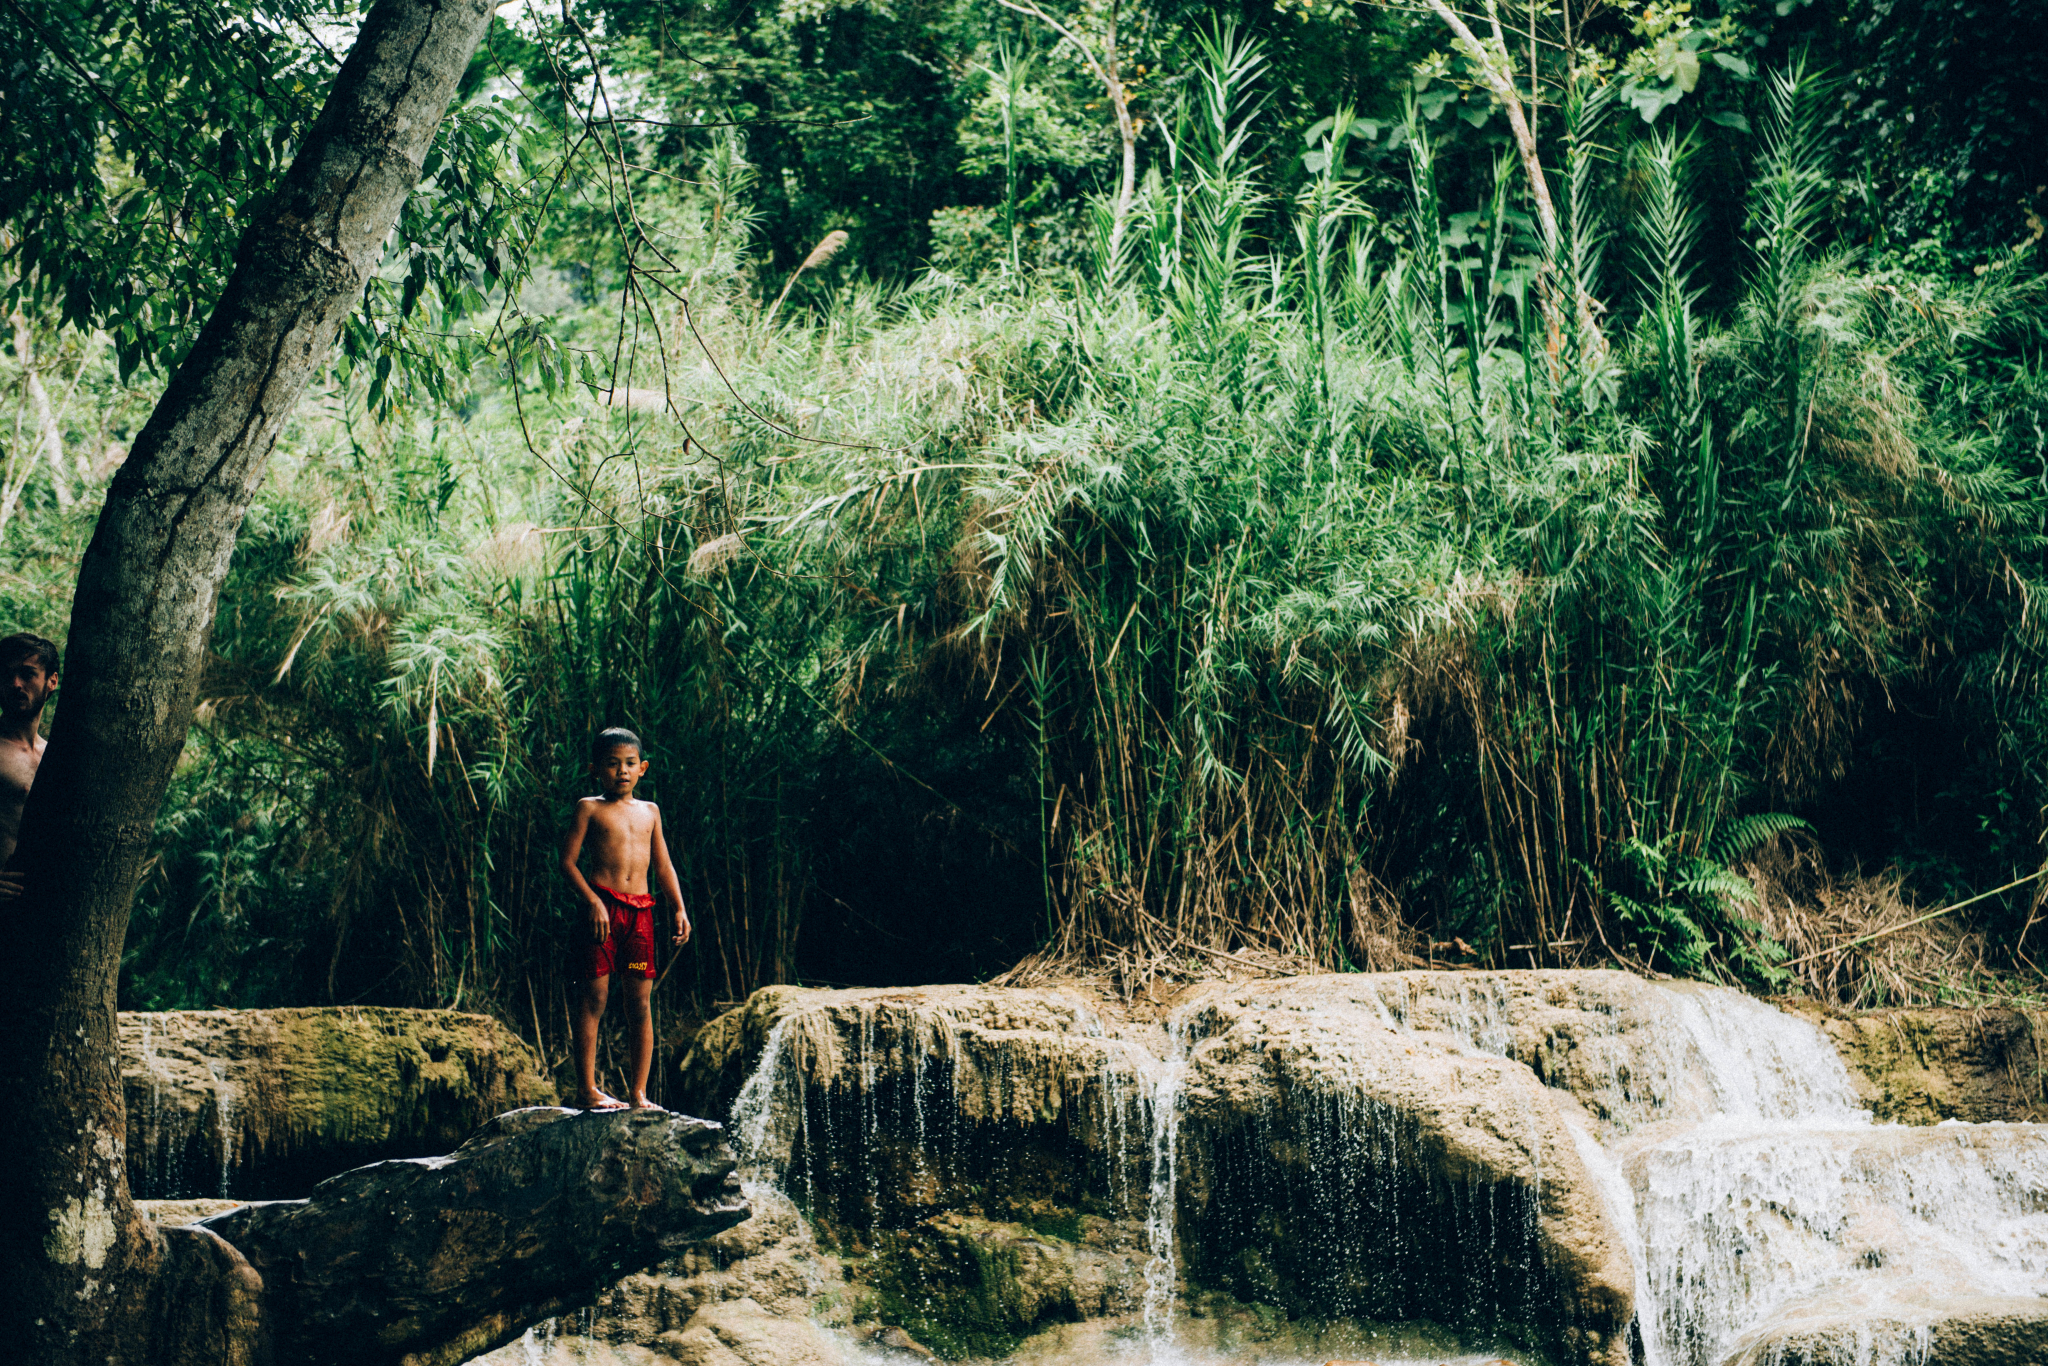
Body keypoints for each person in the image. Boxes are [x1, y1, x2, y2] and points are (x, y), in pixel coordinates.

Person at [559, 726, 690, 1110]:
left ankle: (638, 1093)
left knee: (640, 1003)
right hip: (602, 913)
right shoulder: (589, 808)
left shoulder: (650, 812)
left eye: (630, 764)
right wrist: (592, 902)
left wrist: (679, 907)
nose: (622, 771)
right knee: (594, 997)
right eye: (613, 764)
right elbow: (566, 862)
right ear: (595, 768)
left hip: (641, 916)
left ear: (643, 767)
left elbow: (663, 865)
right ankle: (587, 1089)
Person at [0, 632, 59, 902]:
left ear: (51, 681)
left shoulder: (55, 756)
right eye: (6, 674)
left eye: (27, 674)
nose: (15, 684)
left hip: (45, 910)